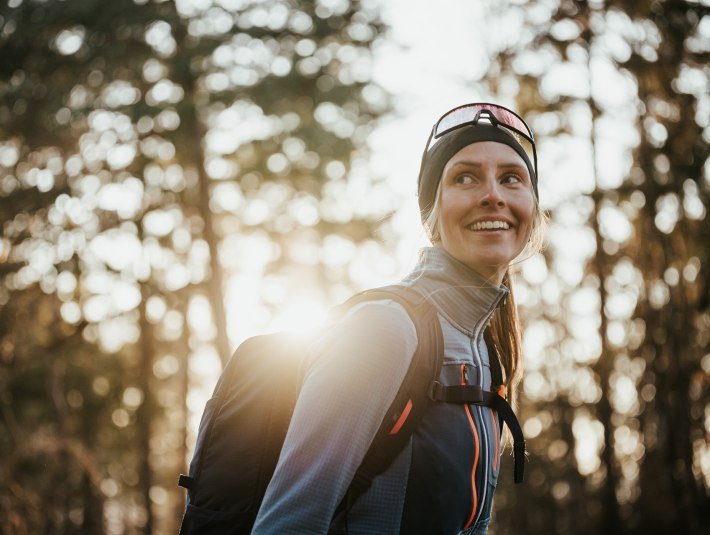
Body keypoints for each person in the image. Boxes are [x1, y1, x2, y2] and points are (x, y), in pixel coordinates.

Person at [251, 103, 545, 534]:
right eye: (465, 177)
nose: (493, 195)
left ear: (533, 207)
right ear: (432, 215)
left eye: (511, 178)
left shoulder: (486, 351)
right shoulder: (384, 329)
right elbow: (286, 525)